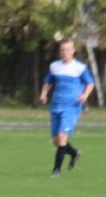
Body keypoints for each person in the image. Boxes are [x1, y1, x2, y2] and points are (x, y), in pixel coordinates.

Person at [39, 38, 95, 178]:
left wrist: (85, 95)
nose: (65, 52)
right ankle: (74, 153)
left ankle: (56, 170)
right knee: (56, 140)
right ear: (60, 51)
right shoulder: (55, 66)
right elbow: (48, 82)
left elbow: (90, 83)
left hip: (72, 106)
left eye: (68, 49)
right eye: (62, 50)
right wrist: (44, 94)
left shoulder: (79, 68)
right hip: (56, 105)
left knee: (62, 136)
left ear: (73, 51)